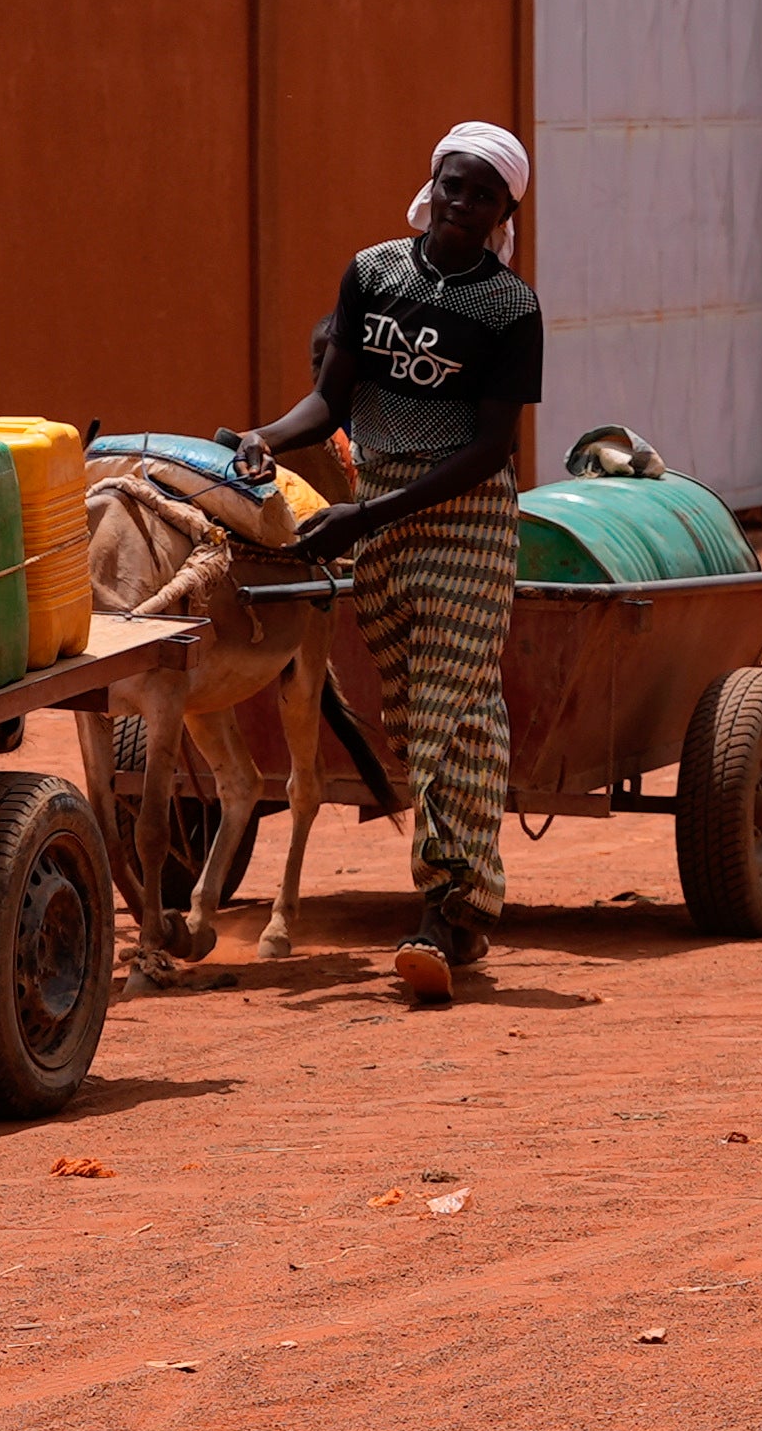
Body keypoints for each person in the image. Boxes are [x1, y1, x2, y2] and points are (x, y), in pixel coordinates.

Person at [221, 121, 540, 1001]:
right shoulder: (373, 274)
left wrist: (365, 515)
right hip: (382, 510)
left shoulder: (511, 310)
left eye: (483, 195)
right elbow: (329, 401)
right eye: (453, 184)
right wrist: (264, 436)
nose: (462, 204)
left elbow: (489, 449)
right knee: (411, 713)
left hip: (467, 521)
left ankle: (446, 912)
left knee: (448, 711)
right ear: (432, 183)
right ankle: (467, 904)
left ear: (505, 212)